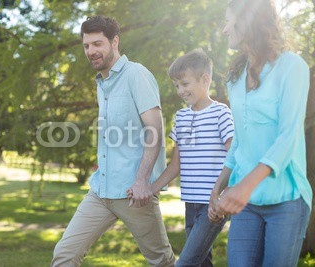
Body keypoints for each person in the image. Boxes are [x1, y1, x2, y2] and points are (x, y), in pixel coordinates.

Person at [50, 15, 175, 267]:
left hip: (134, 194)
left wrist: (141, 181)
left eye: (97, 44)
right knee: (65, 255)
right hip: (101, 191)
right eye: (86, 46)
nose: (90, 51)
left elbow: (155, 129)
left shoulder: (136, 75)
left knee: (161, 261)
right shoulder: (102, 83)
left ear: (114, 41)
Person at [208, 0, 313, 266]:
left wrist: (244, 186)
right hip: (247, 203)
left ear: (247, 22)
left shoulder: (292, 67)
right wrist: (219, 186)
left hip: (286, 199)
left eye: (228, 21)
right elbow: (240, 141)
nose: (223, 30)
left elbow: (288, 137)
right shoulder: (235, 78)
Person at [130, 49, 234, 267]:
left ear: (205, 80)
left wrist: (222, 194)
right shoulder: (182, 116)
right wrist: (151, 188)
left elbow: (234, 155)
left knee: (186, 262)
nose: (180, 91)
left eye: (185, 84)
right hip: (191, 204)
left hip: (213, 204)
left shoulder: (221, 113)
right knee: (202, 262)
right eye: (176, 85)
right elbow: (176, 164)